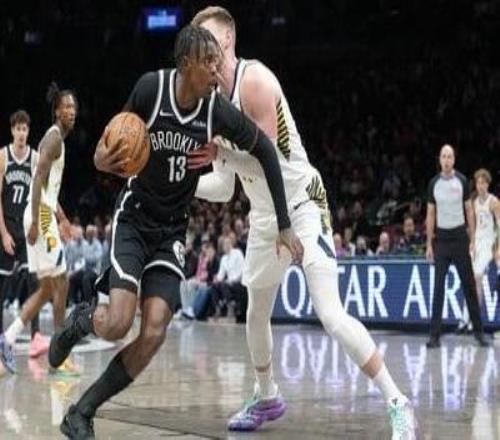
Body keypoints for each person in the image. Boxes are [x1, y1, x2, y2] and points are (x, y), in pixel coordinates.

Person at [48, 25, 302, 439]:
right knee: (117, 322)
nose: (217, 71)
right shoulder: (151, 89)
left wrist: (285, 224)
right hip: (135, 218)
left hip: (171, 231)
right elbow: (103, 150)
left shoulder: (216, 111)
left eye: (218, 63)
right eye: (209, 63)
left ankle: (82, 412)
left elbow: (266, 151)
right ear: (186, 64)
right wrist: (104, 160)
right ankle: (81, 322)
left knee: (153, 332)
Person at [189, 6, 416, 438]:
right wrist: (181, 185)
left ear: (228, 40)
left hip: (302, 204)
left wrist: (221, 154)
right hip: (264, 217)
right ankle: (267, 395)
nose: (203, 49)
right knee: (255, 314)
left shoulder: (255, 82)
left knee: (330, 314)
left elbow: (267, 161)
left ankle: (397, 400)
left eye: (209, 39)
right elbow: (222, 186)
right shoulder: (210, 105)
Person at [0, 86, 76, 375]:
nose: (71, 111)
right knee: (62, 282)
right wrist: (35, 222)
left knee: (46, 288)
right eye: (66, 107)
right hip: (39, 215)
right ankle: (59, 354)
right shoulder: (53, 139)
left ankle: (7, 339)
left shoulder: (56, 140)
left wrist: (63, 218)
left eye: (74, 107)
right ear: (56, 111)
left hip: (41, 212)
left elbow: (48, 188)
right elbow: (37, 181)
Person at [425, 145, 489, 348]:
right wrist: (429, 244)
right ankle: (434, 336)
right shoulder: (433, 183)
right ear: (439, 159)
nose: (446, 160)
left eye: (449, 156)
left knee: (469, 286)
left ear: (454, 159)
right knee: (438, 288)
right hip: (442, 240)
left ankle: (479, 333)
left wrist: (473, 238)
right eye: (443, 156)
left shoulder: (461, 180)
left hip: (460, 238)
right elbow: (430, 214)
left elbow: (469, 211)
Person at [0, 110, 48, 359]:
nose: (21, 133)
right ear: (12, 130)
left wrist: (38, 226)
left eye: (25, 129)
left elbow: (42, 195)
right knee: (2, 286)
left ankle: (36, 336)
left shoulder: (35, 158)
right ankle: (1, 340)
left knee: (34, 281)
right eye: (17, 128)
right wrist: (3, 233)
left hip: (27, 227)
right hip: (7, 229)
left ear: (28, 132)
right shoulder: (3, 156)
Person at [457, 169, 499, 332]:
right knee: (469, 281)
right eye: (478, 183)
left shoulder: (494, 202)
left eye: (483, 183)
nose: (480, 186)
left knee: (477, 278)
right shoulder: (474, 203)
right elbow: (473, 227)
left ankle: (474, 320)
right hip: (478, 243)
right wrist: (472, 242)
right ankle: (465, 319)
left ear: (488, 184)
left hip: (489, 243)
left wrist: (498, 247)